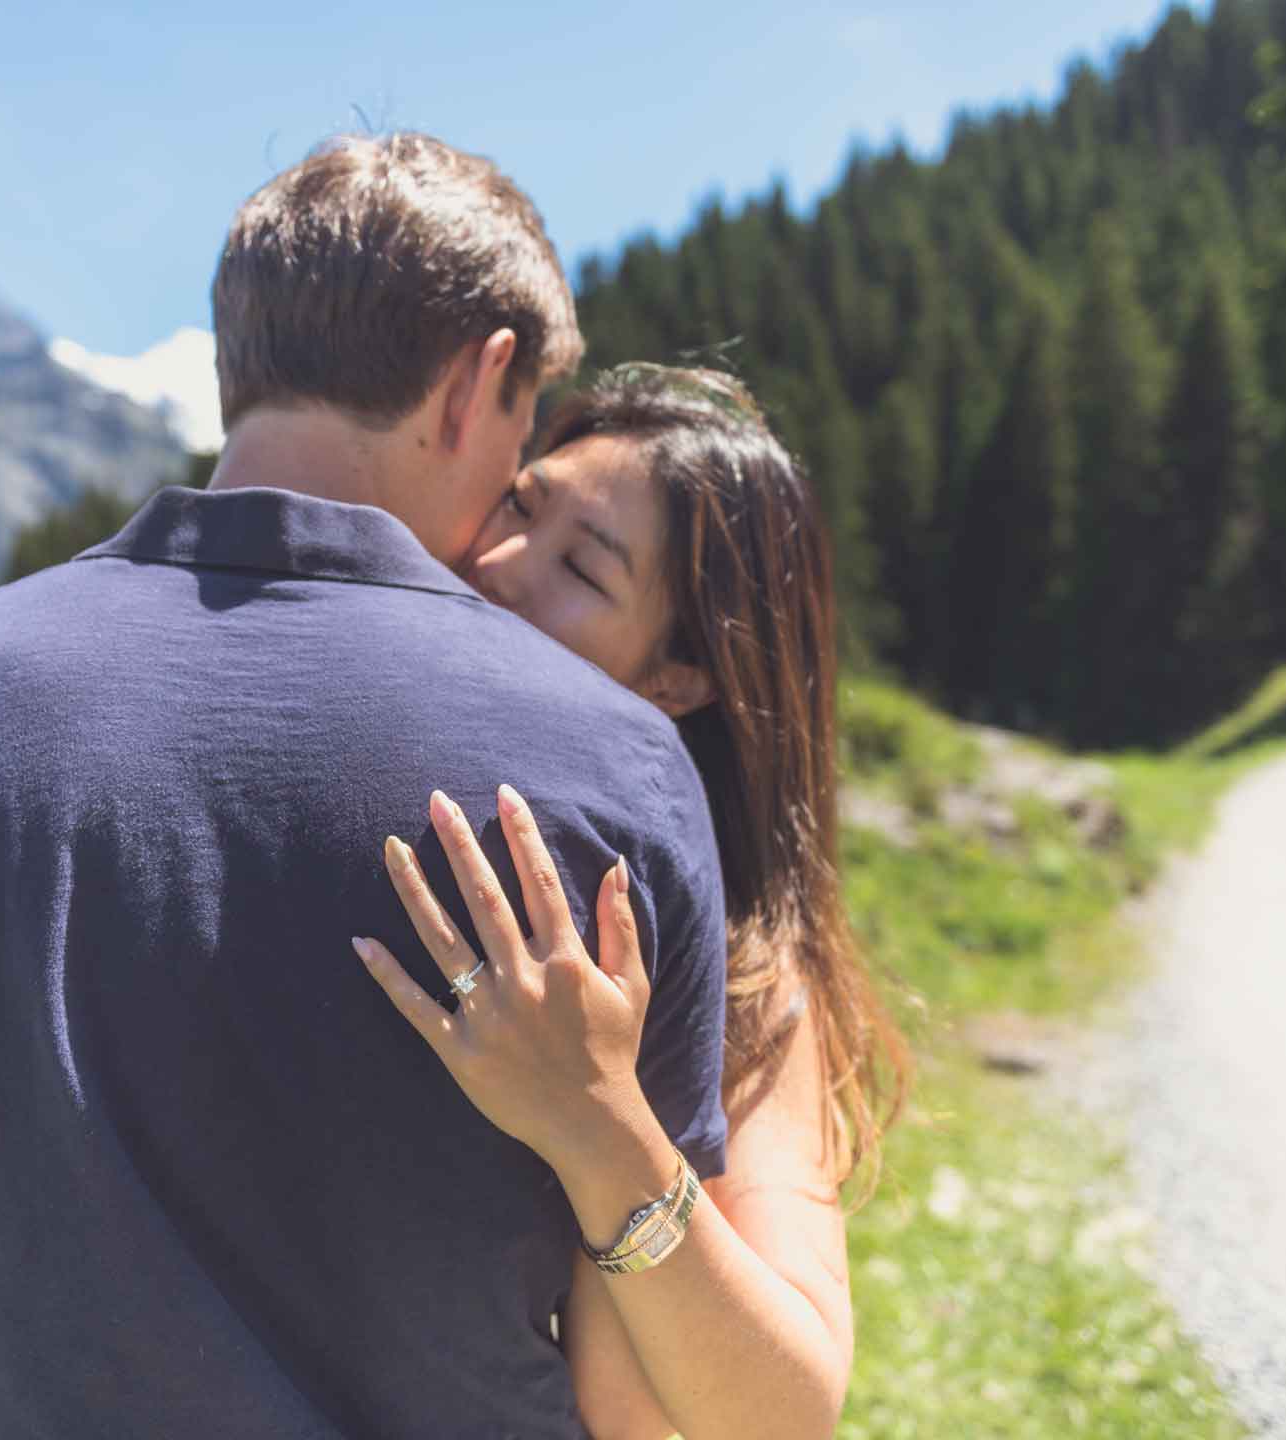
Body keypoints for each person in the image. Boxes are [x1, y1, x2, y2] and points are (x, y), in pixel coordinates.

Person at [0, 132, 732, 1438]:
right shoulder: (617, 763)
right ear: (476, 383)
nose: (499, 520)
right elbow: (639, 1393)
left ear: (237, 357)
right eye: (523, 433)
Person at [356, 364, 913, 1438]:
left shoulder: (748, 979)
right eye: (521, 502)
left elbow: (780, 1413)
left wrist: (598, 1120)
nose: (496, 564)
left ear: (677, 681)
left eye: (583, 567)